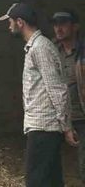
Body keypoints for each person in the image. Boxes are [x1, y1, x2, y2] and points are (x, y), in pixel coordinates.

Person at [0, 2, 77, 187]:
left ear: (20, 22)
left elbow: (57, 88)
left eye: (10, 21)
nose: (8, 25)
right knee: (52, 180)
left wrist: (66, 126)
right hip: (43, 126)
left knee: (37, 181)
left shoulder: (40, 48)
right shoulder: (37, 47)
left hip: (44, 127)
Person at [52, 9, 85, 182]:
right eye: (56, 24)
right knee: (50, 164)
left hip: (81, 115)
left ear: (75, 27)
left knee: (84, 165)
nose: (59, 28)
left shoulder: (83, 51)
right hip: (57, 117)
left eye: (64, 23)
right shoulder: (50, 52)